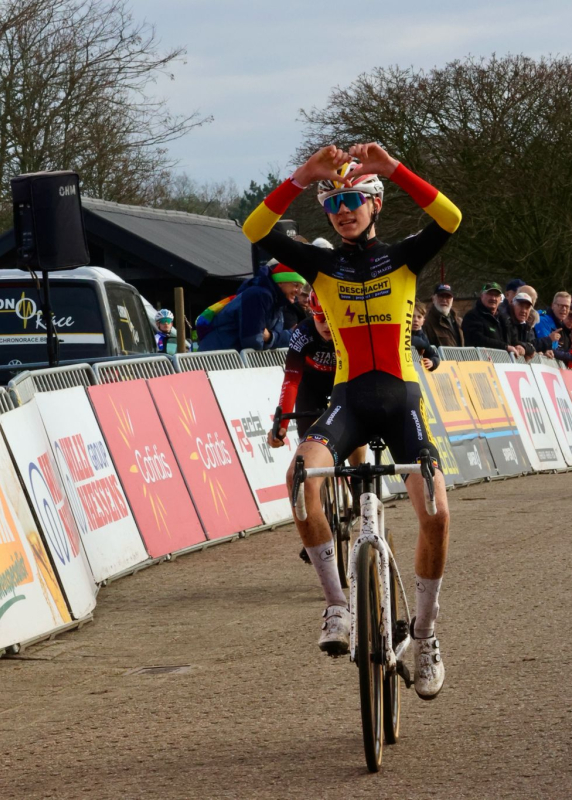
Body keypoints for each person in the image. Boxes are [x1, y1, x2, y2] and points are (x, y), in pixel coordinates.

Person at [242, 142, 457, 698]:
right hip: (347, 404)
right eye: (333, 200)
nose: (343, 208)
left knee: (435, 511)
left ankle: (427, 635)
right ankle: (337, 604)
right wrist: (301, 176)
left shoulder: (406, 258)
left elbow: (450, 217)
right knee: (298, 482)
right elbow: (255, 229)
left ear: (375, 205)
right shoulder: (323, 264)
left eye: (354, 198)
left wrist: (394, 169)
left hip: (402, 403)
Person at [271, 292, 337, 448]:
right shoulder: (303, 332)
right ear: (313, 314)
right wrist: (282, 426)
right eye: (320, 318)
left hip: (342, 381)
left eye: (331, 319)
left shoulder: (348, 332)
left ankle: (361, 468)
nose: (326, 325)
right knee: (307, 440)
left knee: (355, 432)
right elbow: (291, 382)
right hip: (311, 384)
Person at [198, 262, 307, 351]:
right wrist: (272, 338)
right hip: (215, 360)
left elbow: (281, 337)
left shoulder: (278, 303)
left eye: (301, 287)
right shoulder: (259, 295)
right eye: (296, 285)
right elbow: (252, 341)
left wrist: (270, 337)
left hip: (228, 360)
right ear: (280, 282)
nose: (299, 292)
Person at [462, 282, 525, 358]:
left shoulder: (504, 318)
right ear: (482, 296)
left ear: (500, 298)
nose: (493, 298)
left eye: (496, 295)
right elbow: (477, 339)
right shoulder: (472, 316)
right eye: (490, 294)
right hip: (480, 363)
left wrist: (520, 346)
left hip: (502, 364)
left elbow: (513, 339)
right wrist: (505, 347)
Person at [497, 286, 540, 360]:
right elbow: (511, 342)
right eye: (521, 306)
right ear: (512, 304)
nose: (523, 311)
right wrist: (524, 348)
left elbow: (532, 346)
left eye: (527, 308)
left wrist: (524, 348)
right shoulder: (505, 320)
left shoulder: (526, 326)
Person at [422, 283, 464, 348]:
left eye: (448, 297)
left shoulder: (459, 322)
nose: (444, 300)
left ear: (452, 300)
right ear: (433, 299)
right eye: (441, 296)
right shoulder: (426, 323)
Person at [411, 304, 441, 369]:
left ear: (423, 321)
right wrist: (422, 343)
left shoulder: (422, 336)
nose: (416, 320)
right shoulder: (399, 332)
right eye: (412, 316)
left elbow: (434, 356)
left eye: (419, 317)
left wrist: (432, 362)